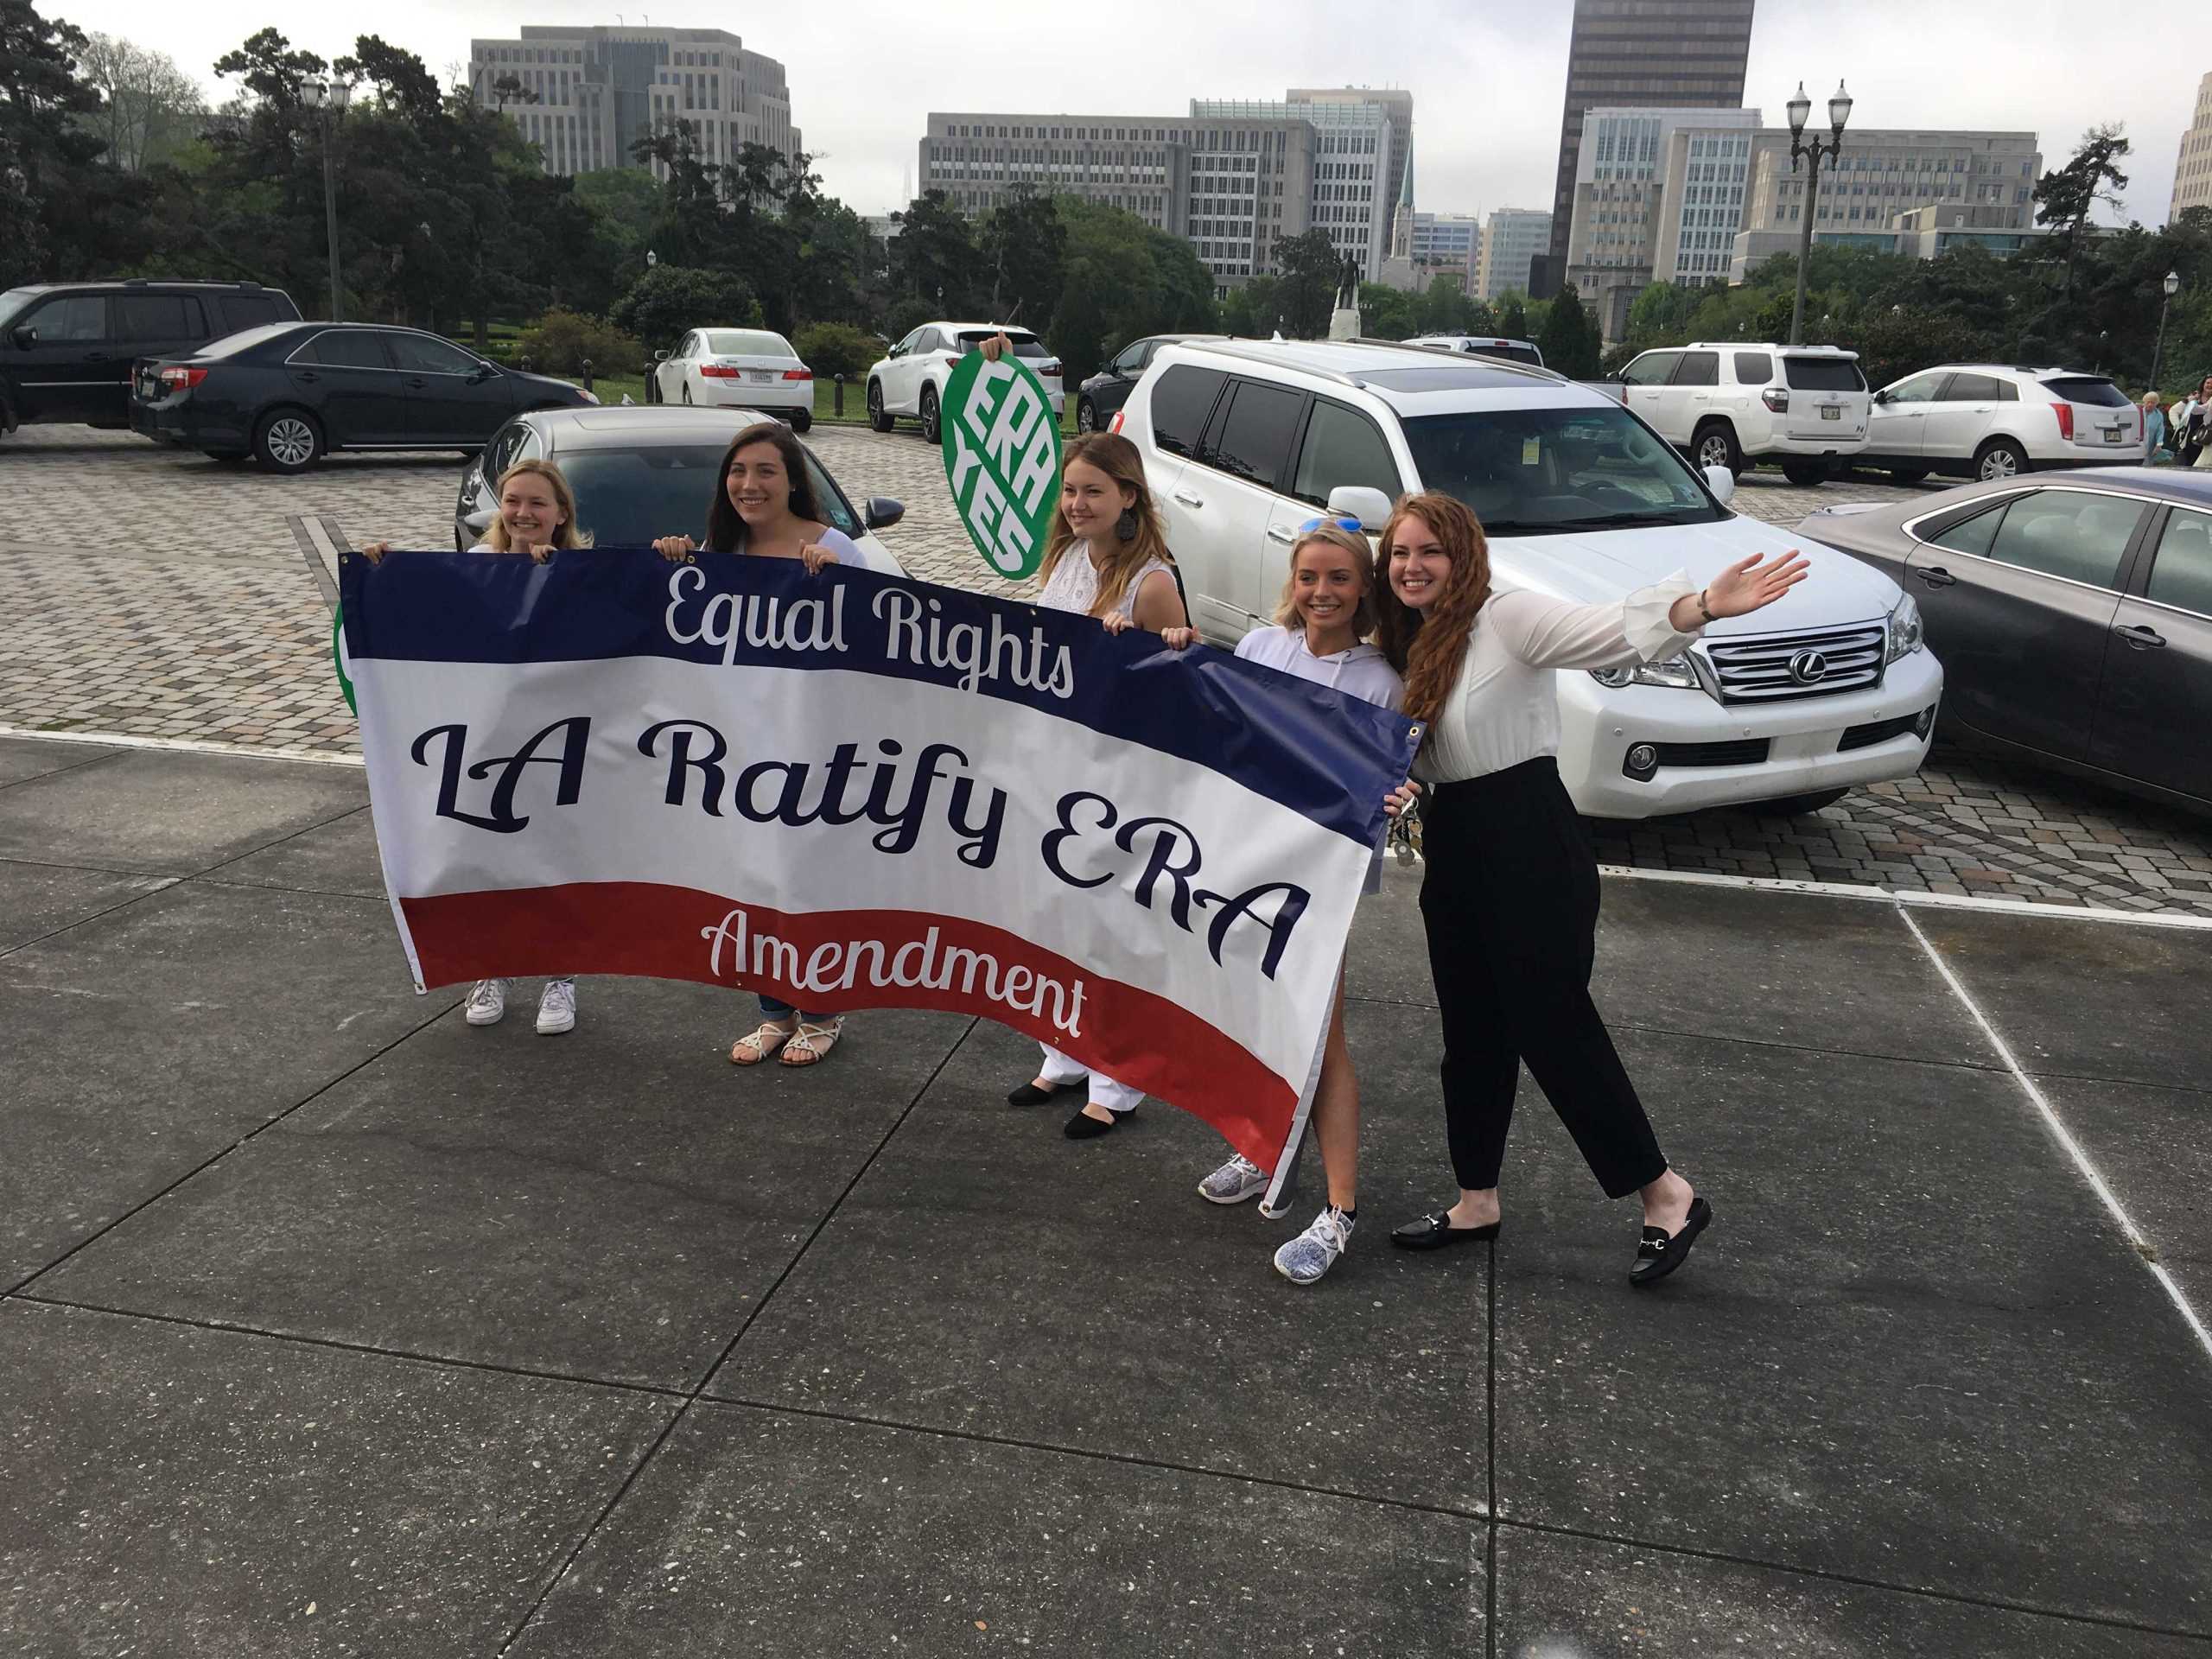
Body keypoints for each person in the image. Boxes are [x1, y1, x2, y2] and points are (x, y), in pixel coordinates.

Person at [1370, 492, 1806, 1287]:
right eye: (1400, 553)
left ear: (1462, 553)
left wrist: (1702, 605)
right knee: (1470, 1032)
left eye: (1429, 551)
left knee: (1552, 1023)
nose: (1412, 566)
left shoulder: (1506, 616)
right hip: (1458, 842)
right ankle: (1476, 1200)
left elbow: (1602, 628)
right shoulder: (1404, 641)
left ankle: (1666, 1194)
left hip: (1529, 837)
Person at [1148, 519, 1414, 1283]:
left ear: (1365, 586)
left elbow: (1389, 779)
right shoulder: (1263, 649)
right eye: (1309, 578)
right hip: (1246, 863)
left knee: (1320, 1038)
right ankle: (1266, 1149)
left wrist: (1401, 795)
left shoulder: (1382, 679)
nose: (1322, 593)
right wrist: (1174, 653)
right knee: (1260, 1016)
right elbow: (1220, 731)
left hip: (1320, 882)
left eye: (1339, 579)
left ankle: (1338, 1212)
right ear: (1290, 583)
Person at [359, 459, 592, 1037]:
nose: (522, 513)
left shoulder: (584, 571)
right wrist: (382, 574)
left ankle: (561, 975)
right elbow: (423, 621)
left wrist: (558, 581)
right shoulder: (476, 569)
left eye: (538, 503)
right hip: (486, 747)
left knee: (556, 863)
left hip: (560, 746)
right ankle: (494, 968)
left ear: (561, 513)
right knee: (486, 860)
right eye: (513, 500)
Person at [1003, 424, 1191, 1138]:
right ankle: (1064, 1054)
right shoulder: (1065, 559)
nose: (1077, 503)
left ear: (1128, 496)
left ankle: (1117, 1083)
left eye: (1093, 491)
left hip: (1118, 777)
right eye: (1070, 489)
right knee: (1056, 918)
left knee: (1112, 925)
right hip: (1053, 763)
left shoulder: (1152, 580)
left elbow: (1177, 693)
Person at [653, 423, 859, 1069]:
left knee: (806, 884)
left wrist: (836, 587)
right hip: (736, 753)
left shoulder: (836, 548)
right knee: (750, 882)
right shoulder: (719, 551)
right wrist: (671, 563)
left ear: (792, 478)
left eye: (766, 470)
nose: (750, 484)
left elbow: (883, 651)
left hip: (814, 751)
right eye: (739, 471)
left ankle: (822, 1012)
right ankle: (774, 1010)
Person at [2143, 391, 2171, 465]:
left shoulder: (2158, 415)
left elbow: (2160, 431)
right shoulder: (2139, 412)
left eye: (2153, 403)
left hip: (2151, 445)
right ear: (2145, 402)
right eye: (2148, 402)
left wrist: (2159, 444)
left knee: (2147, 465)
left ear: (2156, 403)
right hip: (2139, 443)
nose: (2150, 404)